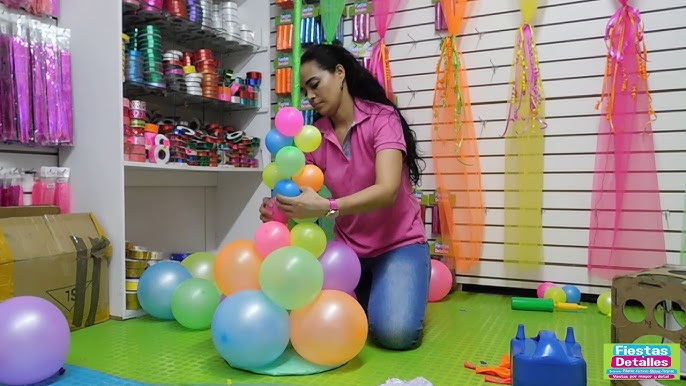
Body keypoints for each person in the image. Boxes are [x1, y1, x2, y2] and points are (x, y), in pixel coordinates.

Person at [259, 44, 430, 351]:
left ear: (340, 73)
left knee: (395, 333)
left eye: (315, 85)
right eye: (305, 91)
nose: (310, 97)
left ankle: (394, 289)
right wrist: (280, 210)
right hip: (347, 252)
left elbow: (387, 190)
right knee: (317, 322)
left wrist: (329, 206)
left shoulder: (382, 118)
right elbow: (300, 193)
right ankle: (373, 293)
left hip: (398, 245)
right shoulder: (313, 136)